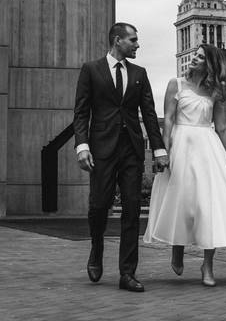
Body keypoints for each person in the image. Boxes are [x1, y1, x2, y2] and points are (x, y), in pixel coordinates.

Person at [143, 43, 226, 286]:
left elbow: (222, 127)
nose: (194, 58)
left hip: (208, 148)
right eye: (195, 54)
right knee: (182, 202)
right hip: (181, 146)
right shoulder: (176, 84)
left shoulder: (215, 92)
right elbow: (169, 119)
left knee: (208, 206)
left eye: (201, 57)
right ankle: (177, 247)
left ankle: (208, 265)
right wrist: (165, 151)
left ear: (210, 65)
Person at [73, 22, 170, 292]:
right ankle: (96, 246)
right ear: (117, 41)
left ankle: (127, 273)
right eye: (133, 40)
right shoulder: (91, 70)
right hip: (102, 149)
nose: (137, 45)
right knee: (99, 206)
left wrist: (159, 149)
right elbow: (81, 112)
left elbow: (149, 114)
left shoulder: (140, 73)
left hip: (131, 150)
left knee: (131, 210)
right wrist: (82, 146)